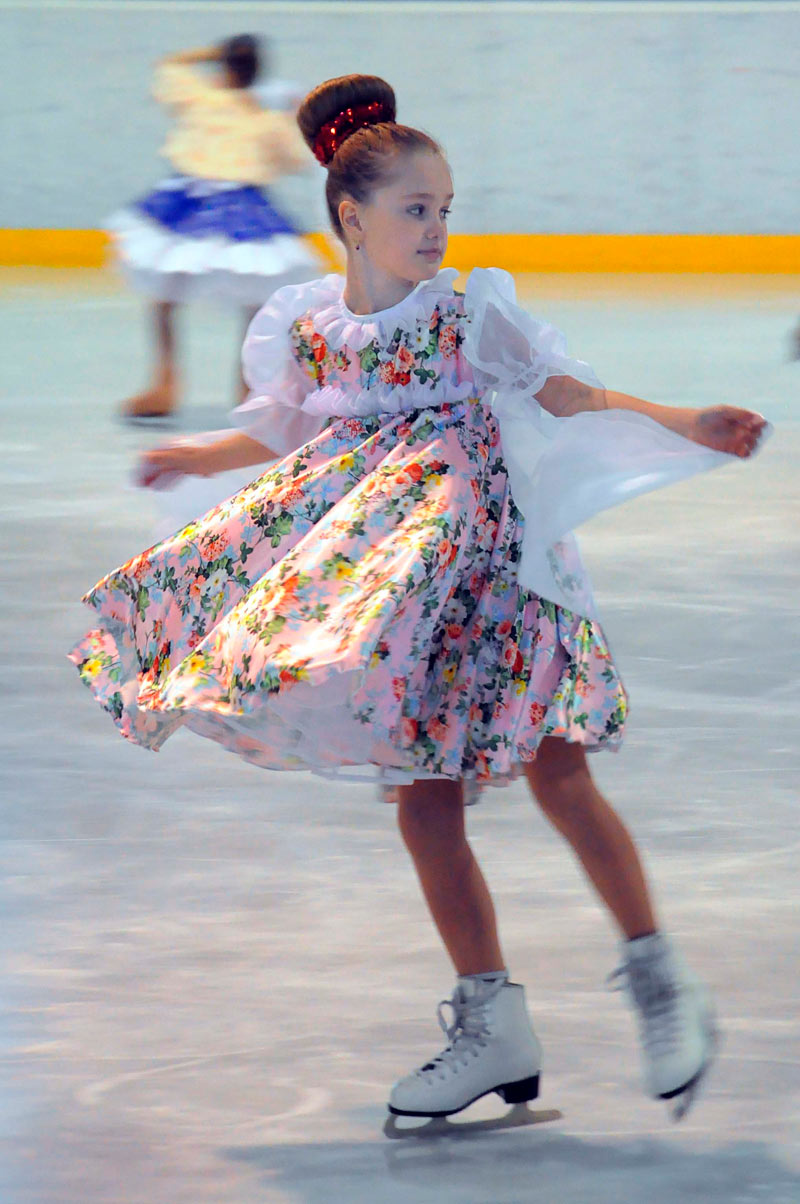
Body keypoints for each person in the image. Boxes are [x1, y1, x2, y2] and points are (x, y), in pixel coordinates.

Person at [71, 74, 768, 1126]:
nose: (436, 227)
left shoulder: (465, 312)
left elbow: (565, 394)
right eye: (414, 208)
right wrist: (190, 453)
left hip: (499, 570)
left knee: (557, 772)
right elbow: (282, 430)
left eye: (443, 207)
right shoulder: (305, 325)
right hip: (400, 594)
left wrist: (683, 419)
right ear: (351, 216)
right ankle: (492, 1023)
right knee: (424, 801)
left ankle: (661, 978)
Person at [109, 35, 320, 421]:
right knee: (252, 302)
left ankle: (167, 382)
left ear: (224, 67)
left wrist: (204, 54)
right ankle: (243, 386)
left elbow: (169, 66)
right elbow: (296, 159)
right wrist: (294, 114)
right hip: (241, 209)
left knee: (165, 296)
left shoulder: (201, 96)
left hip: (188, 205)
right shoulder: (263, 117)